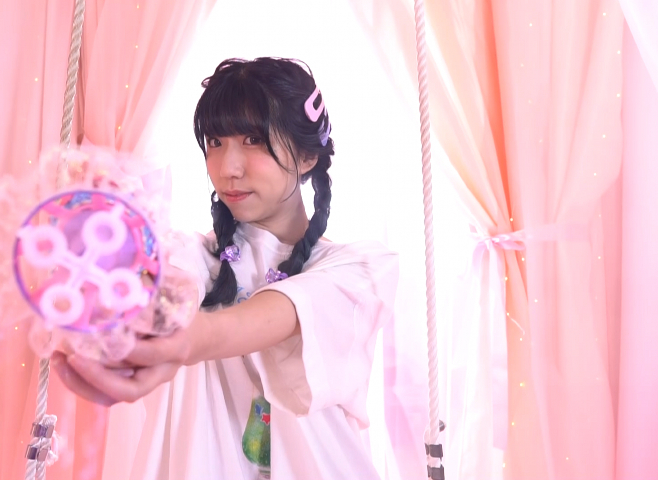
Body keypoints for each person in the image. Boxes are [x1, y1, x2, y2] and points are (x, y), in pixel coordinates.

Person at [51, 57, 399, 480]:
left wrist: (190, 339)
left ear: (307, 155)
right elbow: (167, 279)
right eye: (215, 142)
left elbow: (287, 309)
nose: (228, 168)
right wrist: (130, 309)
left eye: (253, 140)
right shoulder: (192, 254)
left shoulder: (363, 270)